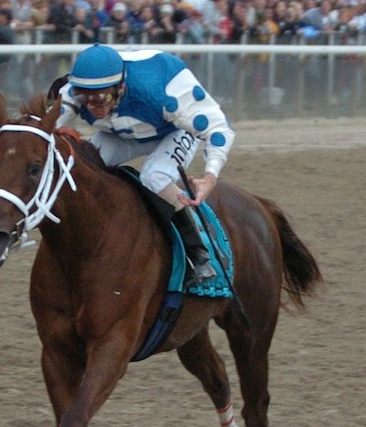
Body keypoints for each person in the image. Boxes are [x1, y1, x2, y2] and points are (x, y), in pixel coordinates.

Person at [54, 43, 233, 287]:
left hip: (174, 131)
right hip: (120, 133)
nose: (93, 107)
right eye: (86, 99)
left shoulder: (163, 91)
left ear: (121, 87)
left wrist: (210, 177)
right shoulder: (74, 92)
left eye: (101, 98)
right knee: (78, 169)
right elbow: (46, 134)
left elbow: (218, 128)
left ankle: (198, 254)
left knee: (154, 175)